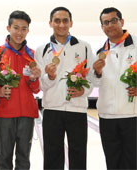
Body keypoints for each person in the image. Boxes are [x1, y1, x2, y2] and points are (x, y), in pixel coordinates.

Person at [34, 7, 93, 170]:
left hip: (78, 109)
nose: (61, 24)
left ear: (71, 23)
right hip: (52, 109)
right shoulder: (42, 50)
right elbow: (39, 84)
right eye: (57, 20)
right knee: (52, 156)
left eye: (65, 20)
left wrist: (84, 91)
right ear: (50, 23)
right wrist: (50, 77)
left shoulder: (85, 47)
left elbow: (92, 77)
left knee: (79, 155)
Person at [0, 10, 41, 170]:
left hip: (27, 114)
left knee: (24, 158)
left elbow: (36, 89)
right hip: (5, 114)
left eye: (24, 29)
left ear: (28, 31)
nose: (20, 32)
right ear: (8, 28)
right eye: (16, 27)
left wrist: (33, 78)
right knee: (4, 158)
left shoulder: (32, 55)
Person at [92, 7, 137, 170]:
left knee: (133, 161)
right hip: (107, 116)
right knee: (112, 161)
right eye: (105, 23)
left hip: (133, 115)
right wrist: (96, 72)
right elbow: (93, 84)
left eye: (113, 21)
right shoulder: (98, 52)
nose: (110, 25)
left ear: (121, 22)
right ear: (102, 27)